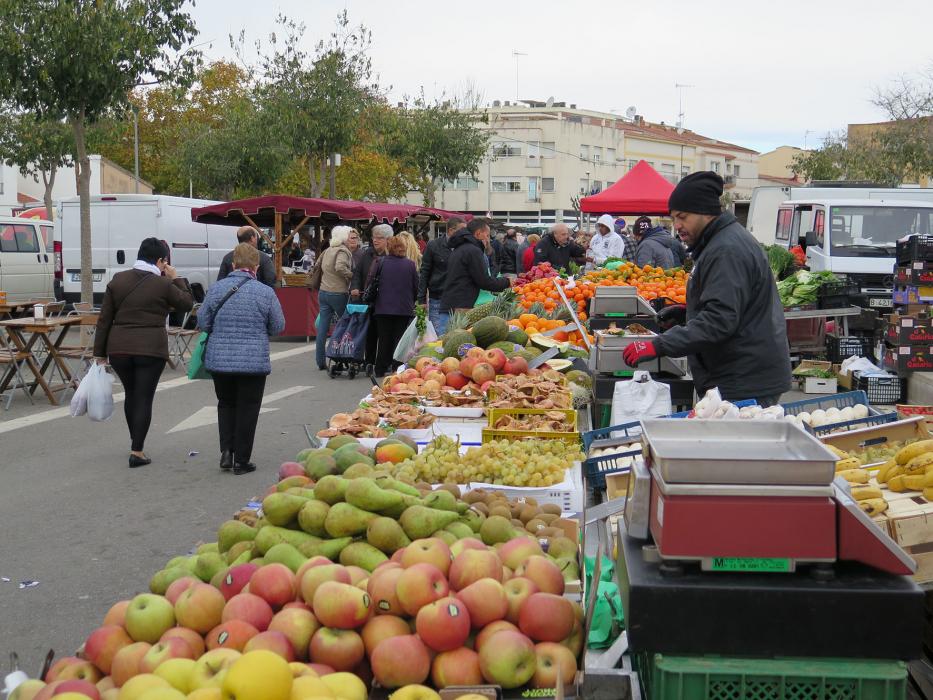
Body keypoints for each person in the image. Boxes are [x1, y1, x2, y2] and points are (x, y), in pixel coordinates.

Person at [622, 172, 791, 406]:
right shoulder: (718, 243)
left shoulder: (726, 250)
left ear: (705, 212)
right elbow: (729, 306)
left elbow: (720, 320)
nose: (677, 226)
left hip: (744, 379)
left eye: (682, 217)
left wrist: (659, 344)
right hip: (741, 372)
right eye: (673, 219)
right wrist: (686, 313)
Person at [94, 238, 194, 468]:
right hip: (150, 349)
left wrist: (100, 353)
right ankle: (137, 451)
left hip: (118, 348)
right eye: (164, 262)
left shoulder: (118, 280)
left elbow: (104, 319)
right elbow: (187, 303)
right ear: (160, 261)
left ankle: (135, 441)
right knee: (144, 397)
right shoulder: (163, 284)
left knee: (131, 394)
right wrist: (176, 277)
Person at [198, 243, 285, 474]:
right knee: (248, 407)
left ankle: (226, 452)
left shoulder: (216, 289)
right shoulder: (266, 292)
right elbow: (278, 326)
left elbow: (203, 322)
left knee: (226, 404)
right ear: (256, 267)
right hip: (253, 362)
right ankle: (242, 460)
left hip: (220, 360)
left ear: (233, 265)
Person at [366, 235, 419, 377]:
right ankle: (396, 367)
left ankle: (380, 368)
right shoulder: (410, 264)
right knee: (399, 339)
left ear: (389, 248)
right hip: (403, 308)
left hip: (383, 308)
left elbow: (371, 281)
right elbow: (416, 287)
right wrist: (412, 301)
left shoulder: (381, 262)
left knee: (383, 339)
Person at [441, 218, 511, 312]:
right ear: (478, 233)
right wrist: (506, 282)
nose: (488, 239)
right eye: (487, 235)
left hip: (452, 303)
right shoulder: (473, 250)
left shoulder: (461, 247)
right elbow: (483, 281)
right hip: (461, 306)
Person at [351, 224, 390, 371]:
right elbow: (357, 274)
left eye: (380, 238)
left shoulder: (390, 256)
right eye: (374, 237)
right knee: (369, 332)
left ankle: (383, 362)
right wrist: (355, 287)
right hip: (367, 300)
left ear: (388, 240)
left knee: (384, 334)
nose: (376, 240)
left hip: (384, 301)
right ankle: (369, 361)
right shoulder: (367, 254)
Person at [315, 225, 354, 371]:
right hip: (338, 292)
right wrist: (352, 275)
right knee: (345, 324)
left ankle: (320, 361)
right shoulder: (342, 250)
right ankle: (341, 354)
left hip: (323, 291)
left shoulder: (327, 250)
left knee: (322, 328)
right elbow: (340, 267)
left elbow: (317, 265)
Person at [418, 217, 464, 335]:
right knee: (439, 335)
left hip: (460, 301)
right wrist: (421, 299)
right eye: (462, 230)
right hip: (438, 299)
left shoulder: (464, 247)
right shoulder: (434, 245)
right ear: (451, 231)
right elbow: (424, 272)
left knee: (457, 335)